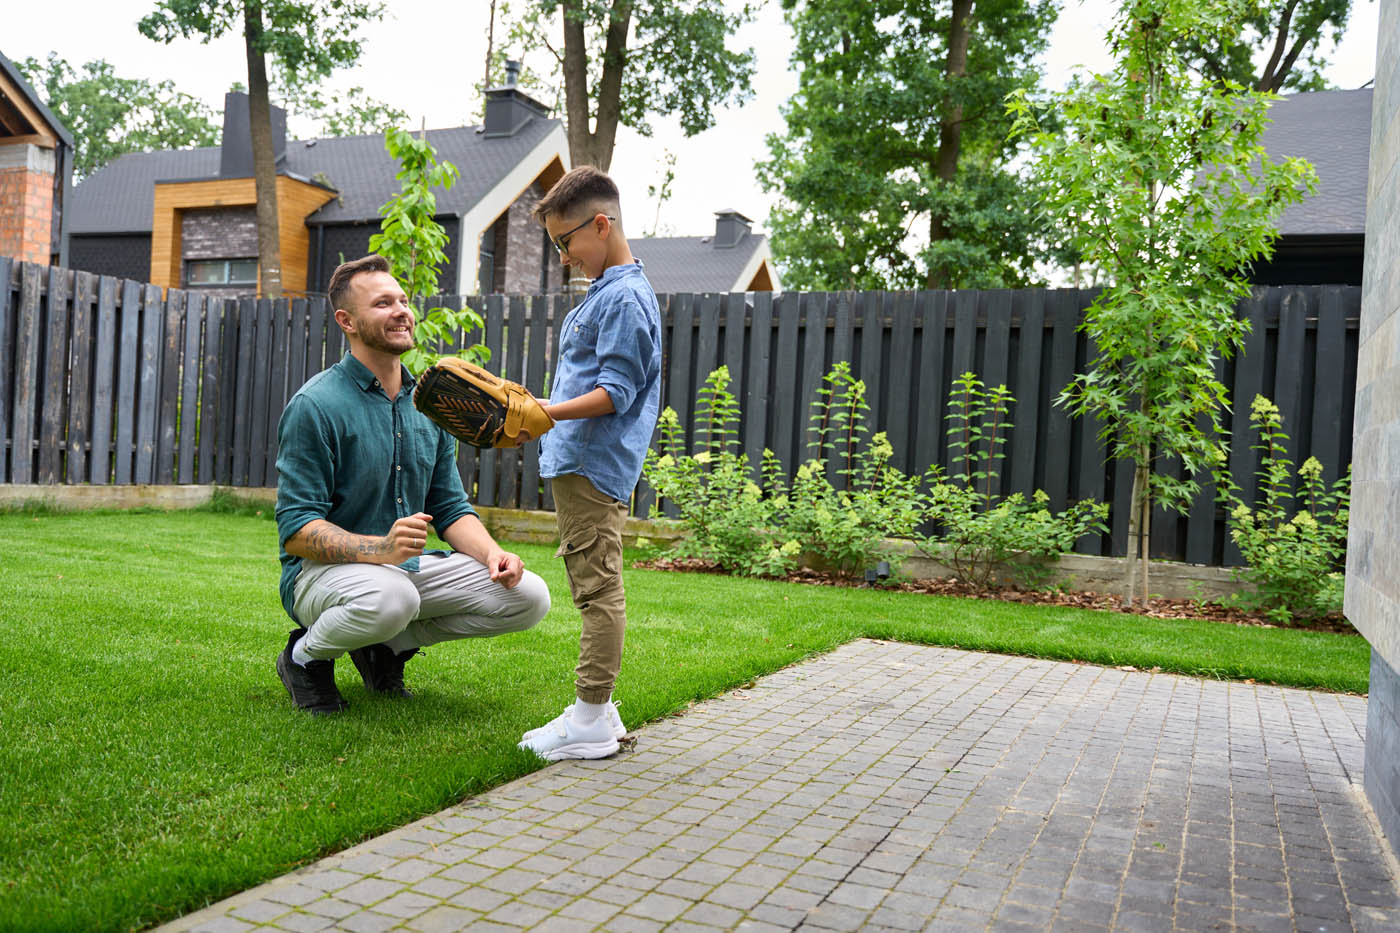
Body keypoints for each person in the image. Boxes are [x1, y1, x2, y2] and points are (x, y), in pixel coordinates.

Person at [273, 254, 551, 714]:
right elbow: (298, 530)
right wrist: (380, 549)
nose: (402, 310)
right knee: (393, 597)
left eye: (403, 300)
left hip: (403, 573)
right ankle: (304, 658)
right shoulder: (315, 406)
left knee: (528, 597)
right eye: (383, 303)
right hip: (319, 576)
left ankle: (387, 648)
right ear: (347, 321)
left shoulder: (430, 405)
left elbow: (451, 508)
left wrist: (492, 554)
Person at [516, 165, 663, 761]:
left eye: (565, 241)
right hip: (579, 460)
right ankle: (599, 711)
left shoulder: (625, 297)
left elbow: (616, 392)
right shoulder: (608, 293)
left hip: (591, 463)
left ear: (600, 225)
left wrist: (545, 412)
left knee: (598, 589)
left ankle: (591, 720)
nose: (563, 256)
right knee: (592, 582)